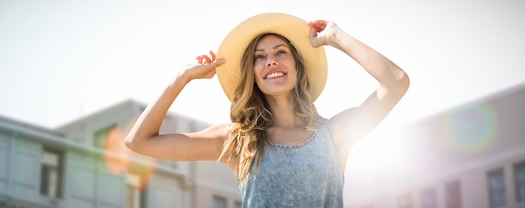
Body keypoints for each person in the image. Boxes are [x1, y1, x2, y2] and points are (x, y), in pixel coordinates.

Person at [125, 12, 409, 207]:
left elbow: (396, 82)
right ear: (253, 75)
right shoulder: (238, 141)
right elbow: (139, 141)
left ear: (298, 66)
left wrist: (337, 36)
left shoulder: (335, 134)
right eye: (260, 58)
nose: (270, 61)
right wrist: (181, 77)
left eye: (280, 52)